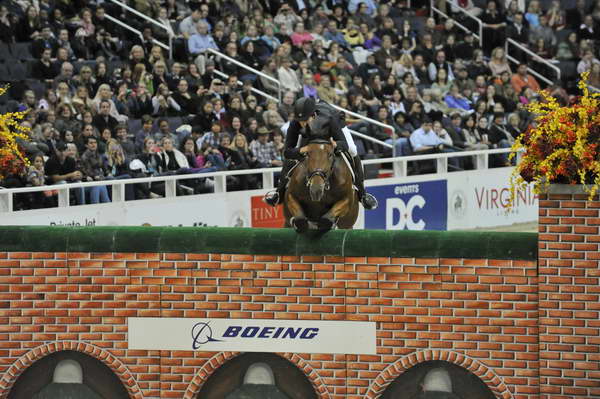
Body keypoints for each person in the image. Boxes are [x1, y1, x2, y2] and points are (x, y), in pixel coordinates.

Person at [264, 97, 378, 210]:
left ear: (313, 116)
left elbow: (344, 144)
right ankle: (279, 192)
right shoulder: (295, 124)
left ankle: (362, 194)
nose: (302, 124)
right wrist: (300, 150)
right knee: (291, 159)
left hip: (335, 129)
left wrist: (336, 145)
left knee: (353, 150)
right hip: (310, 137)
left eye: (305, 120)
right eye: (300, 121)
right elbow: (287, 152)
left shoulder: (330, 120)